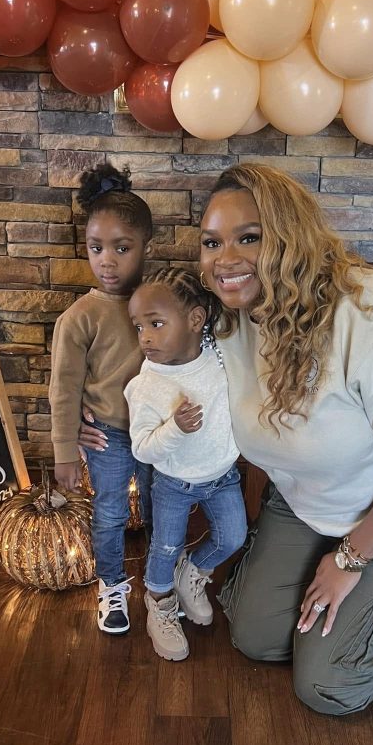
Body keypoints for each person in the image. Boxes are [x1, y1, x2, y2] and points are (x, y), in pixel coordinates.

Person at [196, 163, 373, 715]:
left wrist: (349, 560)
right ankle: (358, 580)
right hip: (314, 502)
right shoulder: (229, 317)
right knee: (256, 636)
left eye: (248, 237)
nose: (224, 258)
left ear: (290, 236)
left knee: (328, 685)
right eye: (212, 242)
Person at [49, 163, 152, 637]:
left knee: (160, 508)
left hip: (159, 433)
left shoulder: (160, 301)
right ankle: (112, 586)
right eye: (96, 248)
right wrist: (65, 448)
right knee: (110, 513)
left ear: (145, 246)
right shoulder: (80, 317)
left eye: (121, 248)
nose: (107, 261)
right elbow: (65, 386)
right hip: (108, 436)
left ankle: (161, 584)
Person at [125, 267, 247, 662]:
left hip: (223, 475)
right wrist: (175, 429)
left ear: (195, 320)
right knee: (165, 546)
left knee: (233, 537)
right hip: (174, 483)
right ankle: (159, 604)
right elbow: (143, 449)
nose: (145, 337)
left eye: (156, 323)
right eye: (139, 326)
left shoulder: (218, 356)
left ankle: (192, 571)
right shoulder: (146, 385)